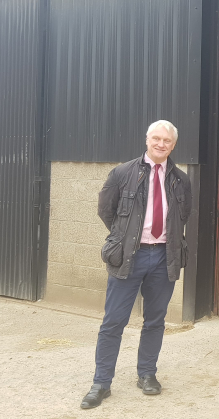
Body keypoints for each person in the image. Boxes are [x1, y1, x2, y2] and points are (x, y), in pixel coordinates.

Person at [81, 120, 192, 410]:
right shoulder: (122, 173)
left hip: (164, 257)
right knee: (113, 321)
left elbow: (184, 214)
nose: (161, 144)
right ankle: (101, 382)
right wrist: (125, 238)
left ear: (173, 145)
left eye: (167, 140)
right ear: (147, 140)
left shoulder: (181, 179)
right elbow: (106, 210)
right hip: (129, 256)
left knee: (155, 320)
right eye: (156, 138)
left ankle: (147, 374)